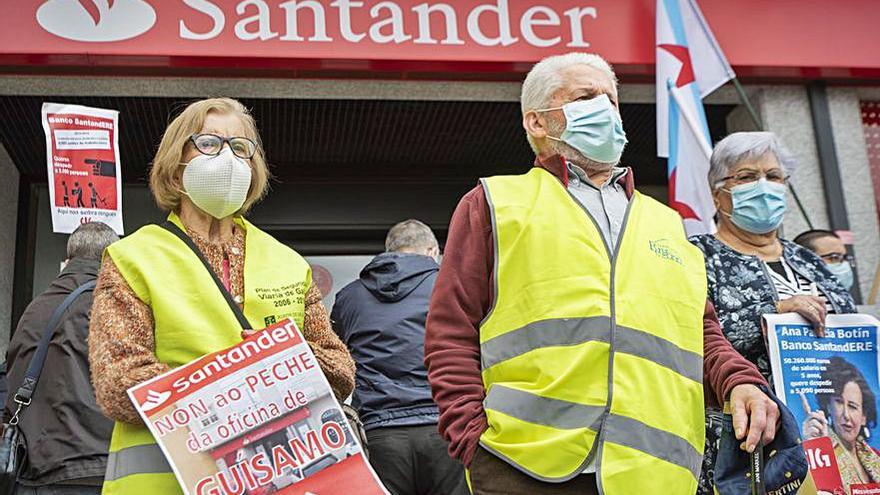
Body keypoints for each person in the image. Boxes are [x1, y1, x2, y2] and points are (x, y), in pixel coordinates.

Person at [424, 52, 779, 495]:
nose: (606, 109)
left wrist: (741, 381)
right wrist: (471, 438)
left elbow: (700, 331)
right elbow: (449, 330)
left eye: (611, 99)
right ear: (537, 122)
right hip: (524, 465)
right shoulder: (495, 203)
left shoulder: (665, 223)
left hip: (656, 476)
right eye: (586, 96)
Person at [87, 97, 356, 495]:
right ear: (177, 164)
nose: (227, 157)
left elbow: (339, 371)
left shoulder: (287, 262)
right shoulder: (134, 258)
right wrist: (245, 381)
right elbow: (119, 384)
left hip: (274, 481)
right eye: (210, 143)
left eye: (240, 147)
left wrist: (281, 361)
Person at [689, 131, 858, 494]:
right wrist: (774, 312)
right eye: (748, 177)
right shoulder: (696, 256)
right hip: (747, 442)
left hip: (829, 436)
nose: (764, 186)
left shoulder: (808, 261)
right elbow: (692, 333)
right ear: (719, 194)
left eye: (774, 176)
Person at [331, 219, 468, 495]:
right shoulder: (449, 286)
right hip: (444, 428)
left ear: (389, 251)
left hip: (381, 433)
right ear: (432, 251)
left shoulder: (349, 297)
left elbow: (337, 359)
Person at [5, 222, 119, 495]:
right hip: (96, 467)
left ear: (68, 260)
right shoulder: (109, 306)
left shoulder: (35, 307)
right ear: (112, 259)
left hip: (36, 470)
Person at [803, 357, 880, 490]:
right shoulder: (816, 455)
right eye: (839, 402)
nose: (846, 415)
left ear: (864, 417)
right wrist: (816, 447)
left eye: (853, 406)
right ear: (828, 406)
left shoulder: (876, 457)